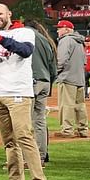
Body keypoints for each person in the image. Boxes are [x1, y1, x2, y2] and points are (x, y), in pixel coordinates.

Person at [0, 4, 47, 180]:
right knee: (8, 141)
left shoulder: (24, 32)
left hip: (17, 92)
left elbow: (24, 51)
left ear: (9, 14)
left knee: (24, 136)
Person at [55, 20, 88, 138]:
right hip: (79, 78)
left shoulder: (66, 40)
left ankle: (67, 130)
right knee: (80, 105)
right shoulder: (79, 41)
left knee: (66, 105)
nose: (57, 30)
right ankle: (83, 130)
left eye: (59, 28)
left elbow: (61, 60)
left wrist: (56, 72)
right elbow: (85, 62)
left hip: (67, 77)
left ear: (67, 29)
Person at [30, 22, 57, 166]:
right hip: (45, 82)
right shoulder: (46, 40)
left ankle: (29, 159)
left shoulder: (25, 35)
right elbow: (53, 67)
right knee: (40, 121)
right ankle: (41, 157)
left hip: (31, 82)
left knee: (25, 122)